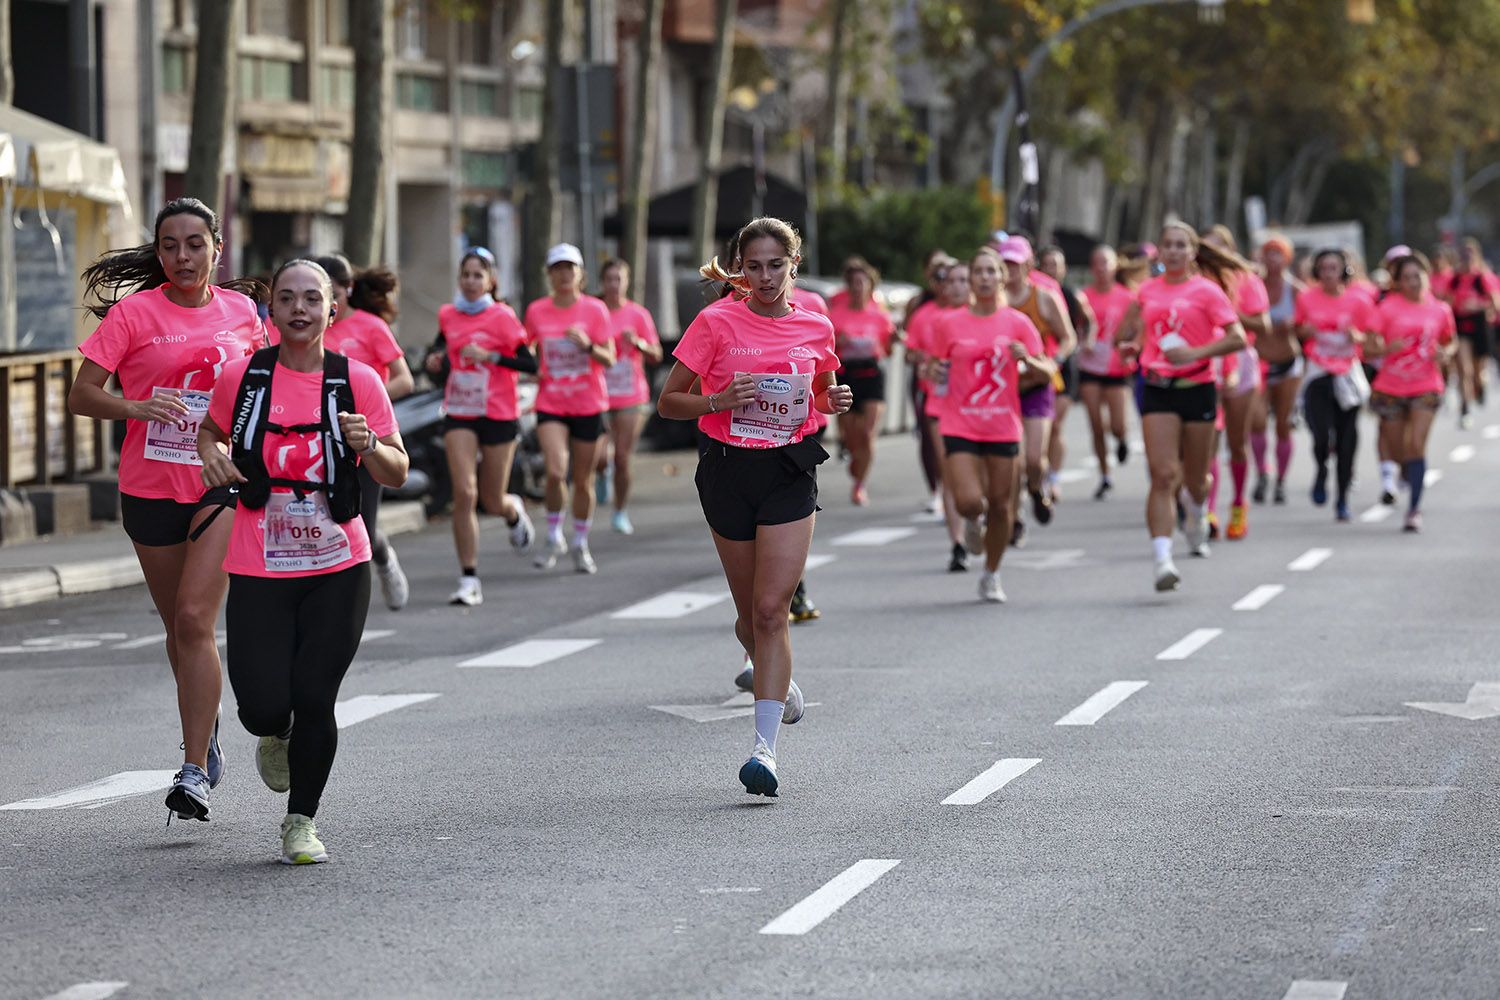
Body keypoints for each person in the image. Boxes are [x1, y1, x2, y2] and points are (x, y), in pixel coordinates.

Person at [197, 258, 407, 863]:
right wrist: (212, 455)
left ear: (330, 309)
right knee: (261, 704)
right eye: (286, 297)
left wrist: (370, 447)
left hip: (339, 561)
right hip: (261, 560)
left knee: (317, 695)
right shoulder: (244, 378)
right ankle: (276, 731)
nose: (298, 308)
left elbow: (398, 468)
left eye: (311, 298)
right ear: (271, 310)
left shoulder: (358, 380)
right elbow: (212, 432)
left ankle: (301, 821)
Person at [69, 197, 267, 822]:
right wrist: (138, 408)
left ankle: (192, 771)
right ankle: (204, 731)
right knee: (176, 630)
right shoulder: (134, 314)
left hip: (220, 481)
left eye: (194, 244)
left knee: (192, 619)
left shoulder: (243, 314)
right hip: (150, 488)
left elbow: (267, 389)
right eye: (170, 246)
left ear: (216, 248)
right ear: (159, 254)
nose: (182, 256)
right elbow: (81, 395)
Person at [658, 217, 852, 797]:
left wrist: (833, 399)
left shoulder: (817, 326)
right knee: (748, 617)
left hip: (789, 469)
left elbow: (822, 391)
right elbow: (668, 403)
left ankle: (764, 750)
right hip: (727, 470)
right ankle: (779, 680)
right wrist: (718, 398)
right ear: (739, 269)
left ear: (794, 264)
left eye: (776, 265)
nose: (765, 277)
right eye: (754, 266)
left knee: (773, 612)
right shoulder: (716, 322)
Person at [1116, 222, 1248, 591]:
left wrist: (1195, 353)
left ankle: (1196, 511)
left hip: (1198, 387)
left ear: (1192, 253)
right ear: (1158, 251)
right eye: (1167, 245)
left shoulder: (1208, 292)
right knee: (1162, 475)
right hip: (1158, 386)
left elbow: (1237, 339)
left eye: (1181, 246)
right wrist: (1132, 347)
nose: (1173, 252)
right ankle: (1162, 559)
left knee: (1195, 479)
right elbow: (1128, 335)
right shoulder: (1147, 292)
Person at [930, 248, 1054, 602]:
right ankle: (971, 521)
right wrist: (934, 371)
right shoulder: (950, 324)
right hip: (960, 422)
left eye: (991, 271)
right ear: (970, 280)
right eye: (978, 271)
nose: (984, 277)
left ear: (1003, 277)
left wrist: (1027, 360)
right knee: (971, 501)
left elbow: (1048, 371)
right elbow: (934, 368)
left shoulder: (1017, 323)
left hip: (1002, 424)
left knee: (1002, 506)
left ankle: (991, 573)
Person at [426, 249, 537, 606]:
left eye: (478, 275)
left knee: (491, 499)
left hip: (500, 412)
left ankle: (512, 510)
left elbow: (529, 363)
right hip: (460, 409)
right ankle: (468, 579)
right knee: (465, 494)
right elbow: (439, 355)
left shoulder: (503, 317)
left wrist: (491, 357)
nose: (471, 281)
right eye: (466, 275)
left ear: (490, 281)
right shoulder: (448, 315)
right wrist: (434, 362)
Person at [314, 254, 415, 610]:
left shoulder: (371, 327)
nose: (325, 304)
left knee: (364, 530)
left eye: (333, 294)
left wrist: (363, 401)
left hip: (365, 441)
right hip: (314, 443)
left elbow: (404, 379)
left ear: (348, 289)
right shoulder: (304, 328)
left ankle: (383, 558)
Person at [526, 244, 616, 573]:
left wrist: (587, 345)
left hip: (588, 402)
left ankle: (580, 542)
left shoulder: (595, 310)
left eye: (570, 268)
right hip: (551, 401)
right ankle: (553, 535)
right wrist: (530, 365)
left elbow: (609, 357)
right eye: (557, 268)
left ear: (581, 274)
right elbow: (526, 349)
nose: (564, 274)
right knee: (554, 471)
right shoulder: (537, 310)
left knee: (583, 480)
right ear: (549, 275)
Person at [1366, 253, 1457, 533]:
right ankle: (1406, 472)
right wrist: (1384, 349)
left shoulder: (1440, 309)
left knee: (1416, 446)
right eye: (1407, 277)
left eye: (1418, 276)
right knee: (1397, 452)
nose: (1413, 282)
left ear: (1427, 277)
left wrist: (1446, 354)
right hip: (1390, 387)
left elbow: (1450, 342)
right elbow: (1367, 349)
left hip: (1426, 386)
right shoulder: (1386, 309)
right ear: (1398, 282)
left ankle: (1414, 509)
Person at [997, 235, 1075, 543]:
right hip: (1003, 388)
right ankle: (1014, 518)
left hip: (1038, 384)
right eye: (1005, 264)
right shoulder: (992, 301)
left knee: (1032, 459)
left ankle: (1035, 488)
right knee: (1012, 462)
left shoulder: (1043, 297)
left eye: (1015, 264)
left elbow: (1068, 337)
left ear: (1028, 265)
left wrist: (1053, 361)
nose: (1009, 270)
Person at [1294, 249, 1375, 521]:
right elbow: (1297, 330)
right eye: (1324, 268)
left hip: (1347, 373)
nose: (1329, 273)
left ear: (1344, 271)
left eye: (1334, 268)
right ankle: (1321, 469)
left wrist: (1358, 336)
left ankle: (1342, 498)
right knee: (1320, 436)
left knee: (1346, 437)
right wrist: (1304, 331)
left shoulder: (1360, 300)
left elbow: (1371, 336)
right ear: (1317, 271)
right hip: (1318, 372)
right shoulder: (1306, 298)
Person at [908, 260, 975, 570]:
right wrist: (928, 366)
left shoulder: (990, 317)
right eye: (953, 280)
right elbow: (922, 357)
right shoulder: (934, 319)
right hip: (942, 405)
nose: (958, 286)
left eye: (965, 279)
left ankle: (975, 515)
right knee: (949, 474)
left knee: (978, 477)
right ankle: (958, 544)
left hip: (981, 408)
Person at [594, 258, 663, 535]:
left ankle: (620, 511)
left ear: (626, 282)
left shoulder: (638, 314)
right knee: (598, 457)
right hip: (597, 393)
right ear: (602, 282)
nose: (613, 284)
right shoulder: (594, 312)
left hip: (630, 393)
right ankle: (601, 472)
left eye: (618, 279)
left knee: (622, 457)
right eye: (609, 279)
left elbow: (657, 354)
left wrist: (639, 344)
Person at [828, 256, 897, 506]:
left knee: (867, 434)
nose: (859, 287)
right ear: (848, 286)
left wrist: (890, 341)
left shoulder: (880, 316)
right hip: (846, 373)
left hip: (871, 374)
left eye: (863, 282)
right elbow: (826, 350)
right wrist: (840, 342)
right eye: (854, 282)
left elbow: (888, 350)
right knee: (851, 432)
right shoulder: (835, 314)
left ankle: (859, 485)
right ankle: (851, 450)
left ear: (870, 286)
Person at [1037, 245, 1096, 503]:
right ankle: (1038, 472)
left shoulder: (1071, 296)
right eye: (1047, 264)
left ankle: (1054, 476)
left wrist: (1087, 342)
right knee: (1043, 427)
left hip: (1064, 366)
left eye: (1056, 264)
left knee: (1056, 424)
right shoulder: (1035, 294)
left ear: (1064, 269)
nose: (1052, 269)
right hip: (1038, 366)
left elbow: (1089, 321)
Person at [1078, 244, 1136, 499]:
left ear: (1115, 266)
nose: (1102, 268)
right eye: (1097, 263)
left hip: (1116, 367)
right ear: (1092, 268)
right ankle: (1105, 474)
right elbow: (1076, 324)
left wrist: (1127, 345)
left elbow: (1135, 328)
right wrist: (1084, 340)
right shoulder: (1084, 295)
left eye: (1107, 263)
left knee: (1117, 424)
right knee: (1095, 423)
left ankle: (1122, 439)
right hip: (1090, 365)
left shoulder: (1127, 297)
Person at [1250, 236, 1302, 505]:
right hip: (1258, 362)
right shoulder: (1252, 285)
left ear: (1287, 258)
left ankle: (1281, 480)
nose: (1273, 259)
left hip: (1287, 363)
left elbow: (1308, 324)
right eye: (1268, 253)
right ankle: (1262, 473)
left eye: (1278, 254)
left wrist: (1295, 326)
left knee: (1283, 424)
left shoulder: (1296, 290)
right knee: (1257, 421)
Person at [903, 251, 955, 513]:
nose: (946, 286)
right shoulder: (923, 312)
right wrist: (921, 358)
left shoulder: (968, 311)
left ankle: (958, 490)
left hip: (966, 391)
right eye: (940, 280)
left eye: (952, 280)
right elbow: (910, 349)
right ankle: (938, 491)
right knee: (931, 441)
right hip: (932, 388)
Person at [1437, 238, 1500, 428]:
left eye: (1469, 255)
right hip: (1461, 326)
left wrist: (1478, 305)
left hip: (1480, 326)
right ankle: (1465, 408)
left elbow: (1495, 305)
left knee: (1477, 371)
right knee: (1465, 369)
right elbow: (1446, 304)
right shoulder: (1454, 280)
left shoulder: (1483, 277)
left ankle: (1480, 388)